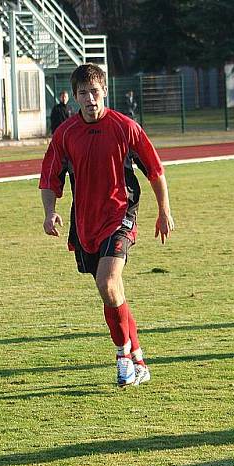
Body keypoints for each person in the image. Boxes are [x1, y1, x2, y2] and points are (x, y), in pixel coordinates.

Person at [39, 63, 175, 386]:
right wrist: (49, 212)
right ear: (74, 97)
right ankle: (139, 357)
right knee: (112, 293)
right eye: (83, 93)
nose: (90, 99)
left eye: (95, 92)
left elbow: (155, 170)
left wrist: (164, 210)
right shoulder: (65, 134)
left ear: (105, 92)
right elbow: (49, 178)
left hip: (121, 215)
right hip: (86, 223)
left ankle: (123, 356)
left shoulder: (125, 128)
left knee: (108, 282)